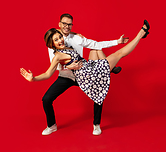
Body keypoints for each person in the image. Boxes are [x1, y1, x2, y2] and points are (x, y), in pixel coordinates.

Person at [20, 19, 150, 135]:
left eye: (60, 37)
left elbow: (72, 35)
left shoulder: (68, 44)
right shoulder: (57, 56)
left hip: (88, 68)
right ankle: (140, 34)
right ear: (51, 44)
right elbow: (48, 74)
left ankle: (97, 123)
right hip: (84, 74)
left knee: (101, 51)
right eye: (56, 40)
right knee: (120, 53)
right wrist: (34, 78)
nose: (60, 40)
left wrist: (76, 34)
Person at [40, 13, 128, 136]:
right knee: (46, 99)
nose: (67, 26)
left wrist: (117, 42)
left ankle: (96, 125)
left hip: (81, 74)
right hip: (65, 76)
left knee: (98, 90)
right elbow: (53, 65)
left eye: (70, 24)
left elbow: (96, 44)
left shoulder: (77, 38)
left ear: (72, 25)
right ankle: (52, 125)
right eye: (64, 23)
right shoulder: (53, 41)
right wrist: (67, 66)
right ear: (59, 24)